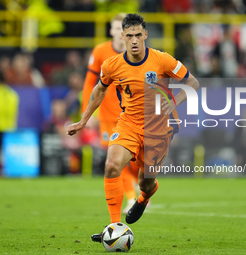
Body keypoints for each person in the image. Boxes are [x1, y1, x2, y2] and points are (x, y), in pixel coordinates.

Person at [67, 13, 199, 242]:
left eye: (139, 35)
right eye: (130, 36)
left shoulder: (162, 60)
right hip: (128, 123)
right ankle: (113, 227)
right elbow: (99, 90)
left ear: (145, 34)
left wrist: (174, 101)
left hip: (158, 129)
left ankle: (145, 196)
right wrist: (84, 120)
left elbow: (193, 83)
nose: (135, 40)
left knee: (145, 181)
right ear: (123, 36)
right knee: (111, 165)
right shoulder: (111, 65)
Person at [82, 13, 138, 214]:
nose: (118, 32)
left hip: (133, 116)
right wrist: (86, 114)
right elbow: (90, 83)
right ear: (111, 31)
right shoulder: (100, 52)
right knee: (115, 159)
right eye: (115, 28)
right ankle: (132, 198)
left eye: (121, 29)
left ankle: (139, 191)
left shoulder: (138, 53)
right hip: (107, 116)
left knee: (132, 160)